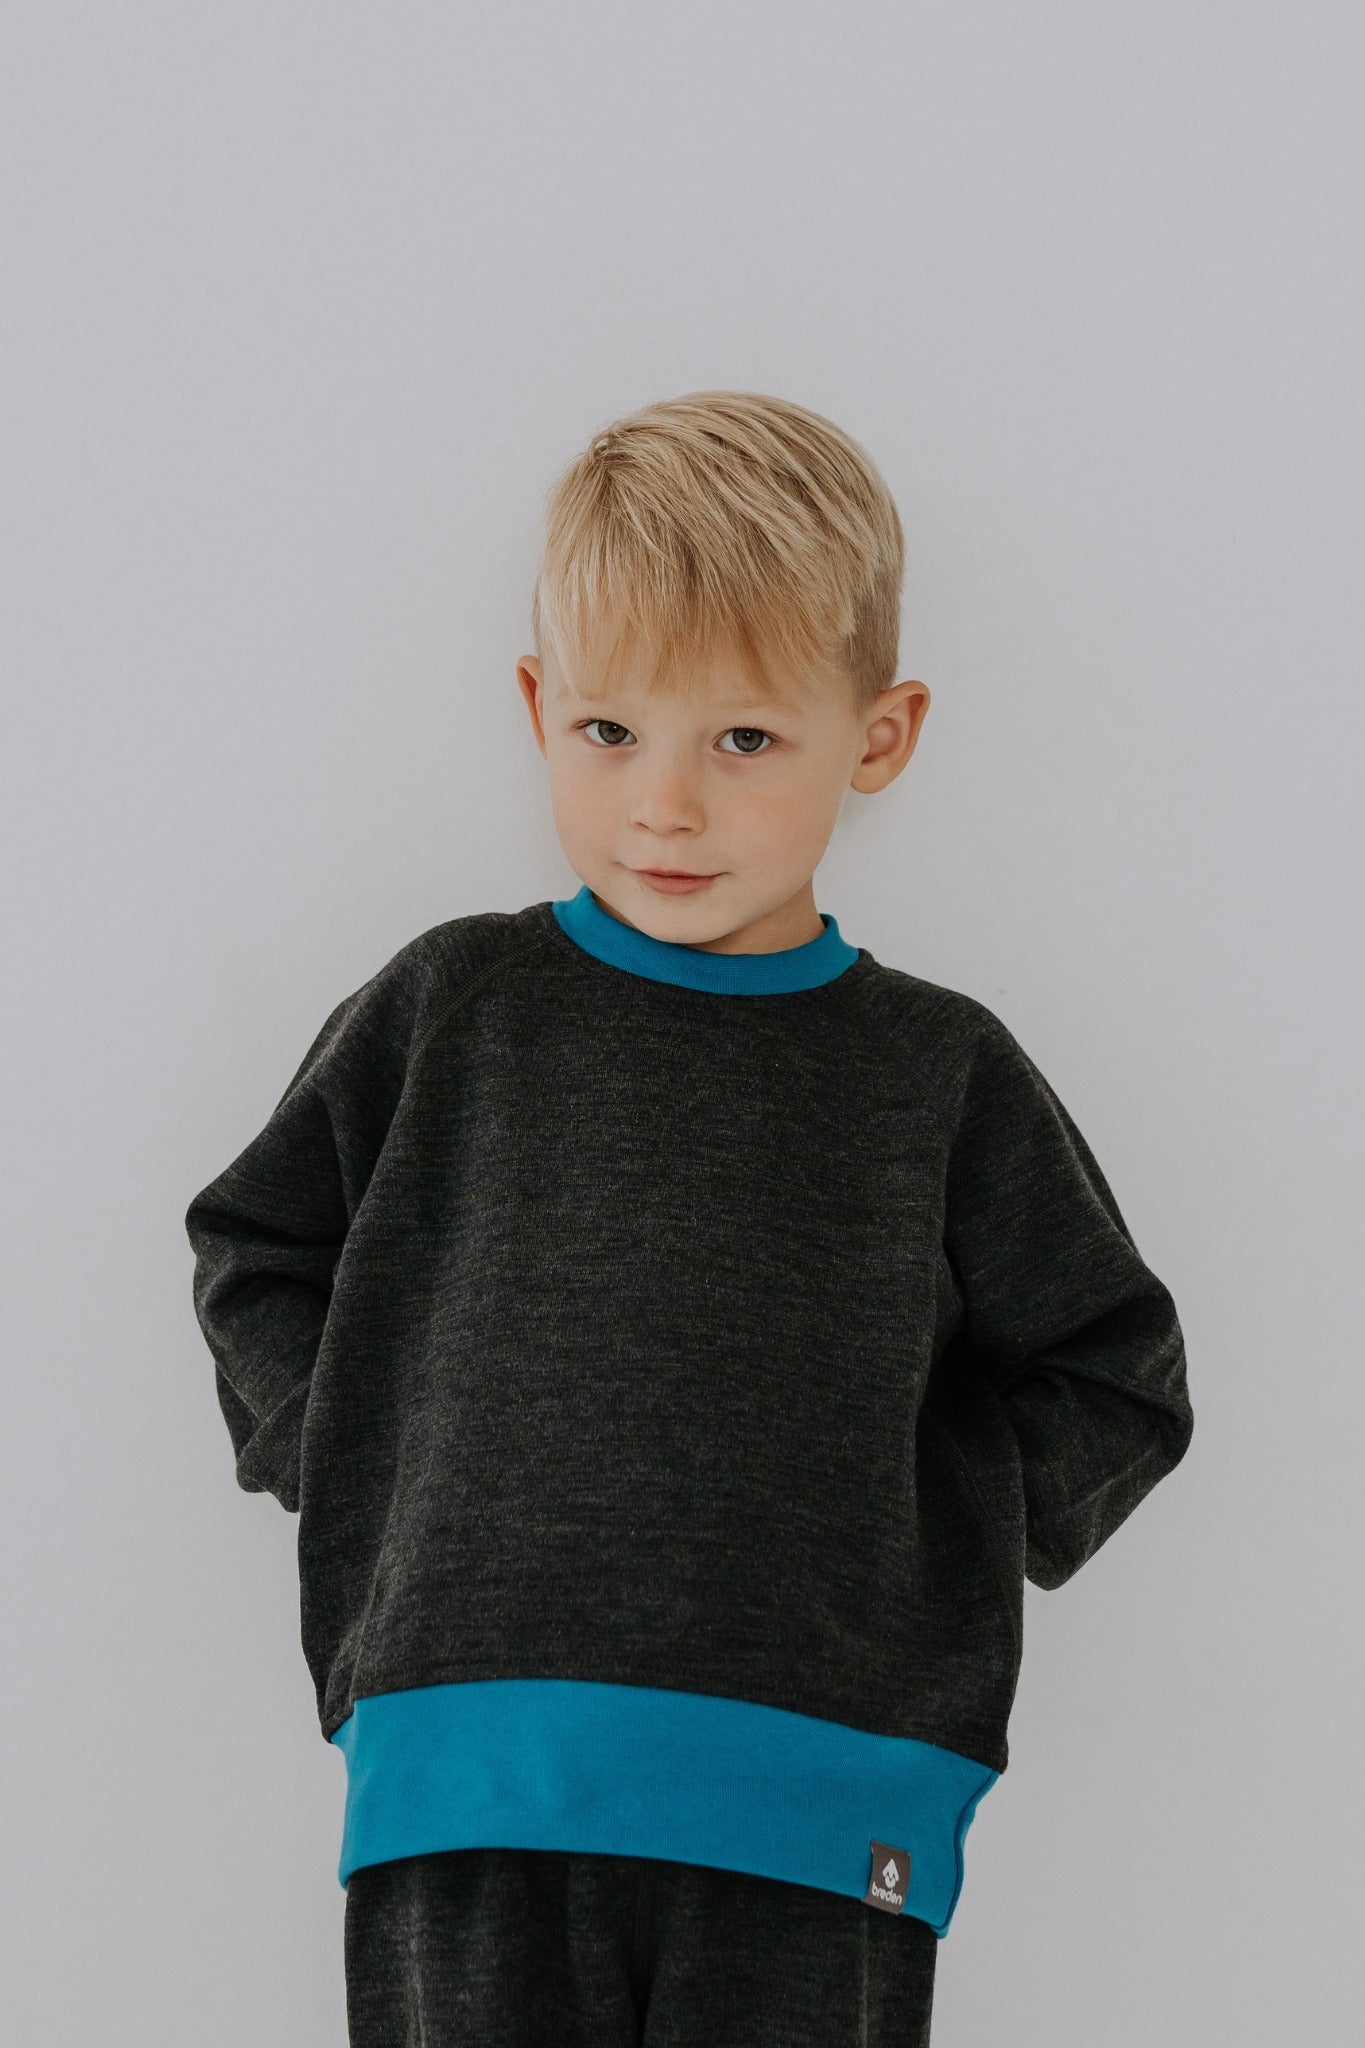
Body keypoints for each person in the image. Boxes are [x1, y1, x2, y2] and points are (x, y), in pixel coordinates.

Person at [184, 388, 1195, 2046]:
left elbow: (1115, 1374)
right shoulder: (452, 1010)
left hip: (817, 1809)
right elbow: (259, 1248)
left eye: (741, 741)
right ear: (537, 707)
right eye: (608, 732)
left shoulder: (936, 1073)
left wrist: (912, 1543)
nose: (663, 805)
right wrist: (370, 1449)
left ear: (876, 737)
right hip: (471, 1780)